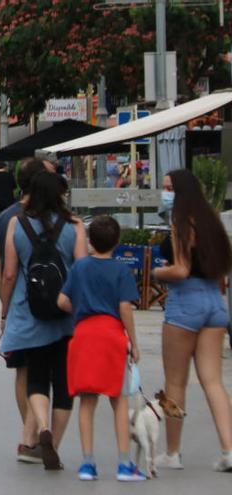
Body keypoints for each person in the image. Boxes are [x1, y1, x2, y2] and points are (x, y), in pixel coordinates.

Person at [0, 171, 88, 471]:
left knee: (36, 377)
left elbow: (9, 273)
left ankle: (40, 430)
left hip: (29, 312)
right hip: (66, 316)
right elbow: (82, 271)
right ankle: (54, 445)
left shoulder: (17, 223)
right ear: (60, 194)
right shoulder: (75, 226)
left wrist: (4, 311)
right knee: (63, 384)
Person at [153, 169, 232, 473]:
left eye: (170, 187)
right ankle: (228, 448)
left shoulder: (181, 223)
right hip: (214, 300)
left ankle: (172, 453)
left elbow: (181, 270)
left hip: (186, 302)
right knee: (213, 380)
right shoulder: (212, 221)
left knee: (175, 381)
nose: (166, 192)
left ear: (182, 191)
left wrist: (158, 272)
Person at [57, 216, 147, 482]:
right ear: (117, 241)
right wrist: (134, 342)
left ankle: (87, 463)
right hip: (111, 336)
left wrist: (82, 310)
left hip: (84, 335)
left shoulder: (80, 267)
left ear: (89, 240)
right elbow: (124, 308)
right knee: (119, 400)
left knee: (87, 401)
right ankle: (124, 464)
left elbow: (62, 300)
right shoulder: (121, 271)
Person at [0, 157, 55, 464]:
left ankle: (29, 434)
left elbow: (3, 270)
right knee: (47, 374)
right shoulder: (64, 220)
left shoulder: (7, 218)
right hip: (57, 309)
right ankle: (35, 434)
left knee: (23, 372)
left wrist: (4, 310)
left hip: (20, 307)